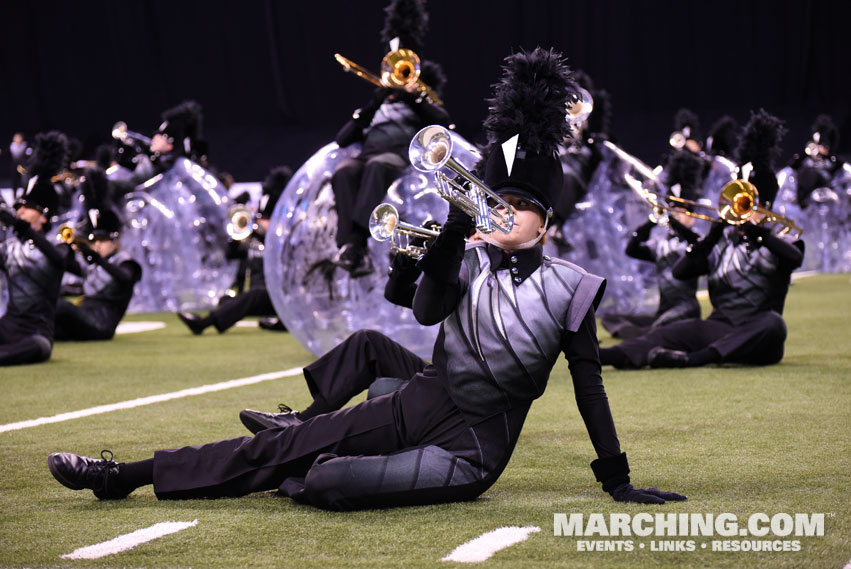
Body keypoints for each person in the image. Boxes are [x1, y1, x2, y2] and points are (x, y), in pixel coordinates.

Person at [47, 48, 685, 510]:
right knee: (277, 455)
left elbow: (588, 390)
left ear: (542, 224)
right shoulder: (464, 254)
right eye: (495, 200)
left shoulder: (574, 288)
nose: (500, 211)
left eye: (515, 208)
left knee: (321, 481)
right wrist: (451, 236)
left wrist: (618, 479)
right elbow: (427, 313)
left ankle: (307, 460)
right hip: (417, 405)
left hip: (470, 450)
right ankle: (124, 474)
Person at [599, 109, 804, 369]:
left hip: (758, 336)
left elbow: (794, 258)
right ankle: (609, 356)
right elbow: (681, 270)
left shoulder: (782, 238)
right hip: (717, 329)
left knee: (774, 323)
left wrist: (760, 233)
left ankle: (695, 359)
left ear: (764, 204)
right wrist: (714, 236)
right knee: (672, 331)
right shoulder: (723, 243)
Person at [330, 0, 450, 277]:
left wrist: (413, 99)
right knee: (344, 171)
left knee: (378, 166)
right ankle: (349, 244)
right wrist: (372, 106)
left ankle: (356, 244)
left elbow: (444, 121)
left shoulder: (419, 100)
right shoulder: (377, 104)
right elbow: (342, 140)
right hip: (366, 154)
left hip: (396, 156)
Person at [600, 150, 704, 339]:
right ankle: (644, 333)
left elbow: (695, 246)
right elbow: (632, 250)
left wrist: (673, 221)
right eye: (674, 211)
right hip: (663, 309)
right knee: (611, 318)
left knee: (653, 330)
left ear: (693, 218)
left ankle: (645, 335)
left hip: (685, 308)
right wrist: (652, 220)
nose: (677, 215)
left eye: (682, 212)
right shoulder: (662, 244)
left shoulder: (697, 241)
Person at [176, 166, 291, 335]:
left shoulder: (286, 238)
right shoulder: (258, 239)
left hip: (284, 297)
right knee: (227, 300)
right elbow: (233, 255)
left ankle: (204, 323)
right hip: (268, 296)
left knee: (256, 295)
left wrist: (267, 231)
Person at [0, 132, 71, 365]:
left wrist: (25, 230)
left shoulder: (58, 246)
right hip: (6, 327)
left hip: (35, 334)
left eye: (26, 207)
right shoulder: (10, 247)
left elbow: (60, 261)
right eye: (18, 207)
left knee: (38, 347)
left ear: (44, 214)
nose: (19, 211)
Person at [54, 208, 142, 341]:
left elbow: (125, 278)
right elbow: (65, 264)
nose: (98, 245)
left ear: (115, 242)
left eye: (103, 240)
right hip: (84, 318)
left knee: (60, 306)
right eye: (94, 241)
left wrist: (99, 260)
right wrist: (67, 247)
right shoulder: (93, 265)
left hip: (102, 323)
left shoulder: (125, 262)